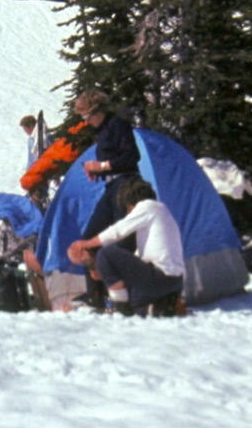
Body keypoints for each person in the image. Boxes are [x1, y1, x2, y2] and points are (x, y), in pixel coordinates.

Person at [67, 178, 184, 316]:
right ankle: (159, 307)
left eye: (128, 210)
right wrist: (106, 273)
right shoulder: (162, 211)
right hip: (175, 281)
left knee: (105, 255)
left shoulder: (147, 206)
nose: (129, 214)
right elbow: (140, 259)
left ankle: (121, 310)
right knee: (134, 301)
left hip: (160, 277)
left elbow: (118, 231)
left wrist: (86, 243)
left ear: (130, 204)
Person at [72, 89, 142, 308]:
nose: (86, 121)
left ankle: (124, 298)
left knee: (123, 242)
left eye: (87, 116)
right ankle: (96, 296)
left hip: (126, 186)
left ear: (97, 111)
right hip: (111, 186)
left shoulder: (118, 125)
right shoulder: (102, 131)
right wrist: (97, 171)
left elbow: (132, 156)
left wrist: (100, 166)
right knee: (88, 241)